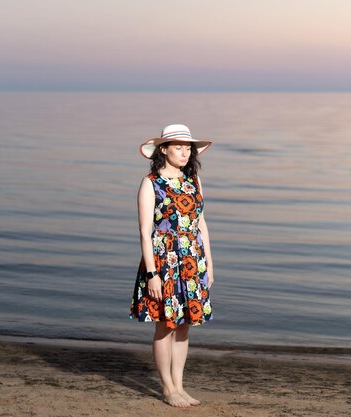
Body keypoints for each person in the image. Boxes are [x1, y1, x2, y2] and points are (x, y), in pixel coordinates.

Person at [129, 124, 214, 408]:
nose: (184, 152)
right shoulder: (150, 183)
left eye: (188, 147)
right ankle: (167, 388)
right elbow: (144, 232)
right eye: (178, 146)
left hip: (193, 260)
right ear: (162, 150)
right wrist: (152, 274)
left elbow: (201, 224)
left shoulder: (194, 181)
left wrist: (209, 266)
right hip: (164, 262)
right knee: (165, 326)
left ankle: (179, 385)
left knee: (185, 325)